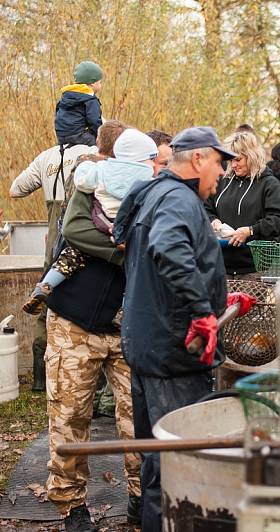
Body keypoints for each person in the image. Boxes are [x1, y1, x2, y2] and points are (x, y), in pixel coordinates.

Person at [113, 127, 254, 531]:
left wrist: (217, 300)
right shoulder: (178, 199)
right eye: (219, 162)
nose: (222, 172)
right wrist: (200, 312)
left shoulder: (152, 193)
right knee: (176, 460)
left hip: (146, 345)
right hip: (173, 355)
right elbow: (169, 247)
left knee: (157, 453)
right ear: (197, 160)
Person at [43, 132, 148, 530]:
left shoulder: (154, 194)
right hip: (75, 319)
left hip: (126, 325)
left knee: (138, 415)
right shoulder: (91, 189)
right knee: (70, 416)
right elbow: (75, 232)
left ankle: (141, 495)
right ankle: (71, 506)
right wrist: (125, 251)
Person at [9, 122, 120, 391]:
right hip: (103, 232)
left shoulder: (49, 157)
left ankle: (40, 378)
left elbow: (16, 190)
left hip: (61, 232)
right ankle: (97, 389)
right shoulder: (115, 169)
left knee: (65, 264)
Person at [23, 129, 159, 314]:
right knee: (133, 270)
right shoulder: (148, 179)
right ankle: (124, 311)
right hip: (125, 228)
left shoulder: (101, 170)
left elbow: (83, 181)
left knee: (71, 255)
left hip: (100, 220)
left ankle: (45, 285)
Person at [206, 131, 280, 275]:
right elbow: (206, 207)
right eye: (230, 161)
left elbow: (278, 220)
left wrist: (250, 231)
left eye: (238, 160)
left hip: (254, 268)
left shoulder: (269, 184)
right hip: (221, 266)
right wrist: (213, 221)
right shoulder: (223, 181)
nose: (233, 165)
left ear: (252, 156)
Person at [54, 61, 104, 146]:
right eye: (99, 82)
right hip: (80, 136)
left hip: (61, 136)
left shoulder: (67, 95)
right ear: (92, 83)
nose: (101, 85)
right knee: (103, 148)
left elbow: (57, 113)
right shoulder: (90, 99)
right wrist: (101, 136)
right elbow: (95, 121)